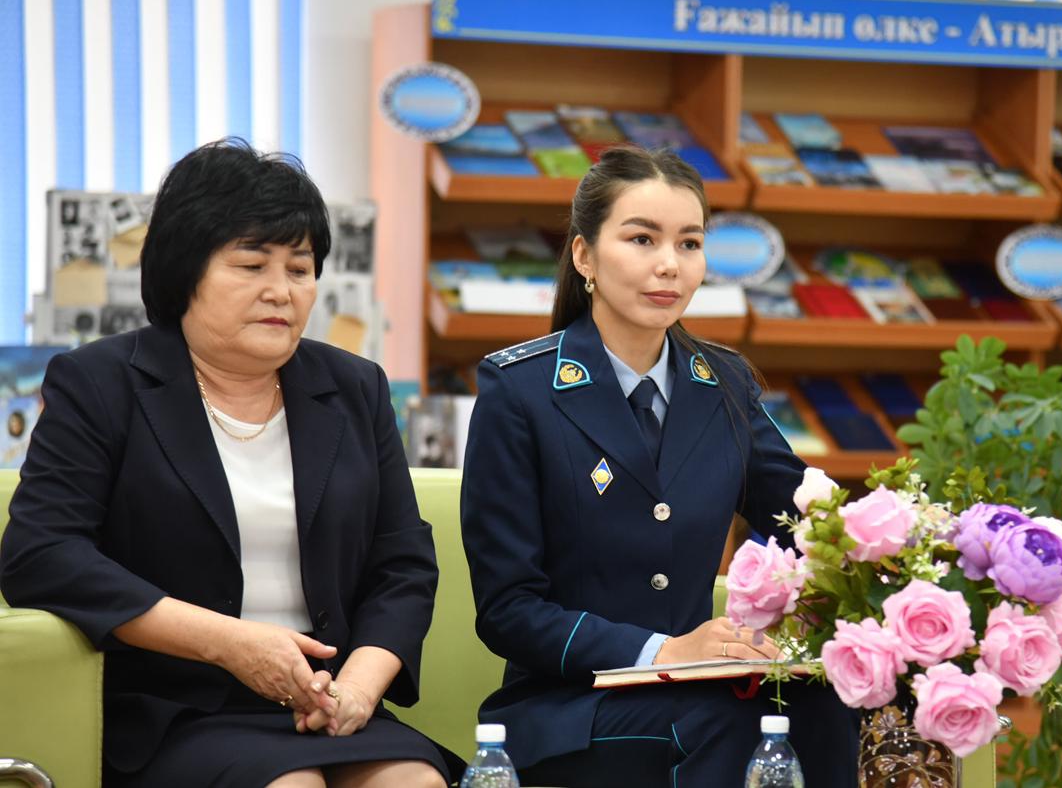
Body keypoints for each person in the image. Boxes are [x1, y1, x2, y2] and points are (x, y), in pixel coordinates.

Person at [0, 140, 462, 788]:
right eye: (251, 265)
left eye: (300, 269)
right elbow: (42, 554)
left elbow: (403, 563)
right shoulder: (101, 383)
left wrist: (359, 684)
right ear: (184, 270)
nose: (282, 292)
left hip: (325, 699)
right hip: (176, 706)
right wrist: (230, 643)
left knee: (414, 782)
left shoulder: (354, 387)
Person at [460, 145, 857, 787]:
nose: (669, 264)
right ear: (584, 255)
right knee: (729, 724)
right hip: (569, 708)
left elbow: (806, 520)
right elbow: (508, 609)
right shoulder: (520, 391)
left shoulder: (722, 383)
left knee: (828, 705)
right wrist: (664, 652)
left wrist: (902, 564)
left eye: (689, 243)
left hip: (704, 689)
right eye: (642, 239)